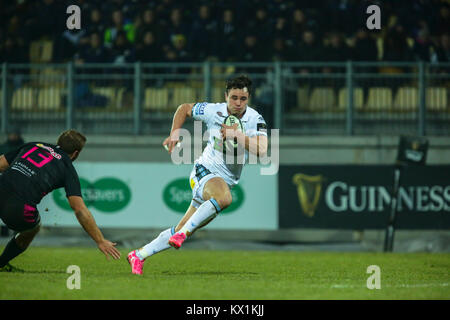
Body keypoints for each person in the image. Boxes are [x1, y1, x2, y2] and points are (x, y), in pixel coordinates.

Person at [127, 75, 268, 275]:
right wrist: (175, 131)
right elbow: (184, 108)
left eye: (243, 99)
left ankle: (139, 255)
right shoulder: (212, 111)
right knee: (224, 198)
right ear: (226, 95)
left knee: (183, 227)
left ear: (249, 98)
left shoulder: (255, 119)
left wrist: (238, 135)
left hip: (226, 179)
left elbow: (262, 150)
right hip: (205, 170)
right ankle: (182, 235)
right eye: (234, 97)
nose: (238, 103)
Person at [0, 129, 121, 272]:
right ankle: (1, 263)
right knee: (33, 228)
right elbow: (79, 209)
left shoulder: (33, 145)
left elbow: (1, 163)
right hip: (18, 208)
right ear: (76, 153)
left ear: (58, 142)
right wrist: (100, 240)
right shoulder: (67, 168)